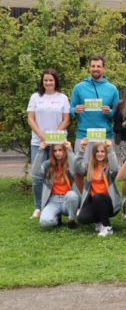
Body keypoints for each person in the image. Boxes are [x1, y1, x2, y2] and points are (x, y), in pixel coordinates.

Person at [27, 69, 70, 218]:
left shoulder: (63, 97)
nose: (48, 83)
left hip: (57, 143)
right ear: (42, 81)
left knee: (59, 173)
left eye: (51, 80)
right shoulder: (35, 97)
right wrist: (41, 135)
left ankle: (56, 203)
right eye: (45, 80)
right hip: (38, 142)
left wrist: (55, 134)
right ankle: (39, 206)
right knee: (37, 175)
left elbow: (66, 120)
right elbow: (30, 118)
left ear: (55, 81)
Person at [70, 55, 120, 154]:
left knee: (106, 169)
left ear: (103, 68)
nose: (95, 69)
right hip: (84, 136)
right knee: (82, 168)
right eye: (93, 66)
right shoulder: (79, 87)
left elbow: (117, 113)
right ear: (89, 68)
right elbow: (70, 110)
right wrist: (75, 110)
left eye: (98, 66)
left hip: (105, 136)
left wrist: (109, 112)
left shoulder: (112, 89)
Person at [74, 138, 121, 237]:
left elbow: (116, 169)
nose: (100, 154)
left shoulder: (109, 168)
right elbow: (77, 168)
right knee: (82, 218)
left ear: (106, 153)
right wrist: (81, 149)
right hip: (94, 201)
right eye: (97, 151)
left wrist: (111, 150)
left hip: (109, 202)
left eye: (103, 151)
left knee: (98, 196)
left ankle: (107, 227)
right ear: (94, 153)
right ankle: (99, 221)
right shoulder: (89, 167)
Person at [33, 141, 79, 228]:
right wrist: (40, 151)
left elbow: (76, 169)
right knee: (44, 222)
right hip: (53, 200)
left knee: (72, 195)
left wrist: (70, 150)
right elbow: (36, 172)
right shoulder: (48, 164)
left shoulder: (70, 163)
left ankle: (71, 220)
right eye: (55, 151)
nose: (57, 153)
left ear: (64, 151)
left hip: (67, 199)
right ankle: (57, 218)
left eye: (60, 150)